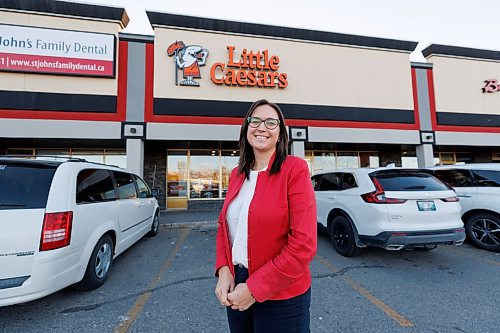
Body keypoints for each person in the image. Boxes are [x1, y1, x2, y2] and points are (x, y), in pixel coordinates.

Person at [214, 99, 317, 332]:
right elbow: (224, 226)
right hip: (237, 286)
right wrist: (224, 271)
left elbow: (304, 245)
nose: (262, 127)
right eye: (256, 121)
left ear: (280, 134)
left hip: (284, 293)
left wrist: (254, 289)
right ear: (246, 128)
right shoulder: (237, 174)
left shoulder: (295, 169)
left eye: (271, 122)